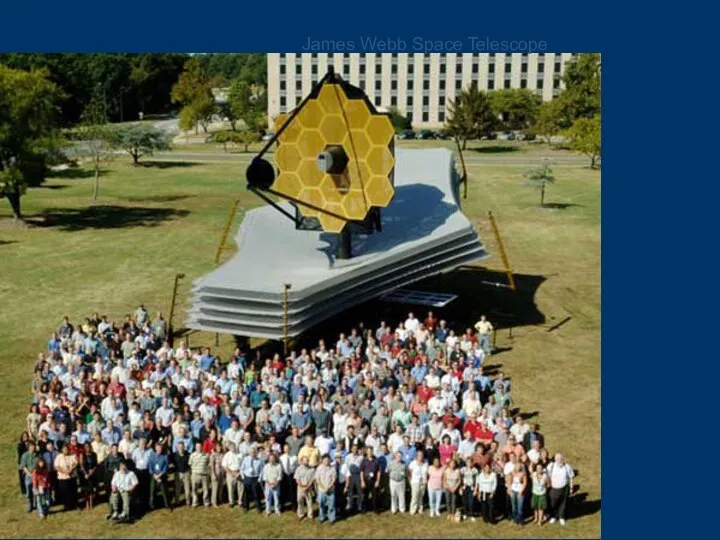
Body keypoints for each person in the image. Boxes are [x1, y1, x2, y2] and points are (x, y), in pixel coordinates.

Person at [547, 453, 574, 526]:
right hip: (553, 489)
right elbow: (547, 476)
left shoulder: (567, 466)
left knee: (563, 503)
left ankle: (561, 517)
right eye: (557, 458)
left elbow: (571, 477)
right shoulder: (551, 466)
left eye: (560, 458)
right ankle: (554, 516)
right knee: (553, 503)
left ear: (563, 459)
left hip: (564, 488)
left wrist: (571, 487)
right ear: (555, 459)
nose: (559, 460)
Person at [148, 442, 172, 511]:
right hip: (154, 475)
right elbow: (150, 467)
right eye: (158, 448)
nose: (159, 449)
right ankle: (152, 506)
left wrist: (160, 475)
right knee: (152, 491)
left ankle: (167, 505)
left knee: (164, 491)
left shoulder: (165, 456)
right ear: (155, 448)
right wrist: (155, 476)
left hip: (162, 475)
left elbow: (166, 467)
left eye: (160, 448)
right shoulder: (152, 456)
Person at [54, 443, 78, 511]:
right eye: (64, 449)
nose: (66, 450)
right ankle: (66, 506)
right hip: (63, 477)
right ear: (62, 450)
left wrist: (71, 470)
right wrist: (64, 472)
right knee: (64, 492)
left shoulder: (72, 455)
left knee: (72, 492)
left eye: (67, 449)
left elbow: (75, 463)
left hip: (72, 477)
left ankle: (74, 505)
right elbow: (57, 466)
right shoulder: (59, 457)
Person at [240, 446, 263, 513]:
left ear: (256, 453)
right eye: (251, 452)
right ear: (249, 453)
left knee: (256, 493)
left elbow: (261, 470)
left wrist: (259, 478)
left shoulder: (259, 460)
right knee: (246, 493)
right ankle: (246, 507)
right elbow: (242, 468)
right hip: (247, 478)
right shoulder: (245, 459)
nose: (253, 453)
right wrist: (243, 477)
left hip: (255, 478)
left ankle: (258, 507)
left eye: (254, 452)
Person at [315, 454, 337, 524]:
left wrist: (329, 487)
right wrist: (323, 487)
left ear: (329, 460)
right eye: (325, 460)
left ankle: (331, 518)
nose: (326, 461)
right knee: (321, 505)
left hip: (331, 490)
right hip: (322, 490)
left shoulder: (332, 468)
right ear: (322, 460)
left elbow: (334, 479)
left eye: (328, 460)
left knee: (331, 505)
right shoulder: (319, 468)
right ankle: (322, 517)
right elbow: (317, 479)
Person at [20, 440, 40, 514]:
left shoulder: (38, 455)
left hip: (37, 476)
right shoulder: (25, 455)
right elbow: (23, 466)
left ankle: (37, 505)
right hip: (28, 476)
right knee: (29, 492)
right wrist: (29, 474)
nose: (33, 447)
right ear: (28, 447)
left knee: (36, 490)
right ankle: (30, 506)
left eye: (33, 446)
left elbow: (40, 464)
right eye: (31, 446)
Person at [189, 441, 211, 507]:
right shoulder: (192, 455)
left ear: (202, 447)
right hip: (195, 474)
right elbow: (190, 464)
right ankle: (195, 502)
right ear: (195, 447)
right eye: (197, 446)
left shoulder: (206, 455)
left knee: (206, 489)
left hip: (204, 475)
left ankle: (206, 501)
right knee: (194, 489)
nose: (199, 448)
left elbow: (208, 464)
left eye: (200, 446)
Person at [78, 441, 98, 511]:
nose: (87, 448)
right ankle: (87, 503)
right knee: (86, 490)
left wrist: (92, 471)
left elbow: (96, 465)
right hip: (84, 474)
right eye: (86, 447)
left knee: (91, 489)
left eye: (88, 446)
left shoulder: (94, 454)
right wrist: (86, 474)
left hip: (92, 474)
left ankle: (91, 503)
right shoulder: (82, 455)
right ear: (84, 448)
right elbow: (81, 465)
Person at [407, 450, 428, 515]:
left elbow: (427, 473)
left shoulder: (425, 463)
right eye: (419, 455)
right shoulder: (413, 463)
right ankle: (413, 510)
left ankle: (420, 509)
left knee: (421, 496)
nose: (420, 456)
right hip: (415, 482)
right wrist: (410, 480)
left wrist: (426, 480)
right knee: (415, 496)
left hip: (423, 482)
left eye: (421, 455)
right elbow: (408, 472)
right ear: (416, 456)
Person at [222, 442, 242, 508]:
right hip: (230, 473)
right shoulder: (227, 455)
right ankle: (231, 502)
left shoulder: (240, 454)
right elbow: (225, 466)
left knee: (240, 488)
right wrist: (232, 473)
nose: (233, 448)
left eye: (234, 446)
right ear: (229, 448)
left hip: (239, 473)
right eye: (231, 447)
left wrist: (239, 473)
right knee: (230, 488)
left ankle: (240, 501)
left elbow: (243, 464)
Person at [174, 441, 191, 507]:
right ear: (177, 447)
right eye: (179, 447)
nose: (180, 448)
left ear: (184, 447)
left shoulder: (188, 454)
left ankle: (188, 501)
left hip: (186, 473)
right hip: (178, 473)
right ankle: (177, 501)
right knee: (177, 489)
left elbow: (190, 463)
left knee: (187, 488)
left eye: (182, 447)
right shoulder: (174, 455)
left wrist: (189, 471)